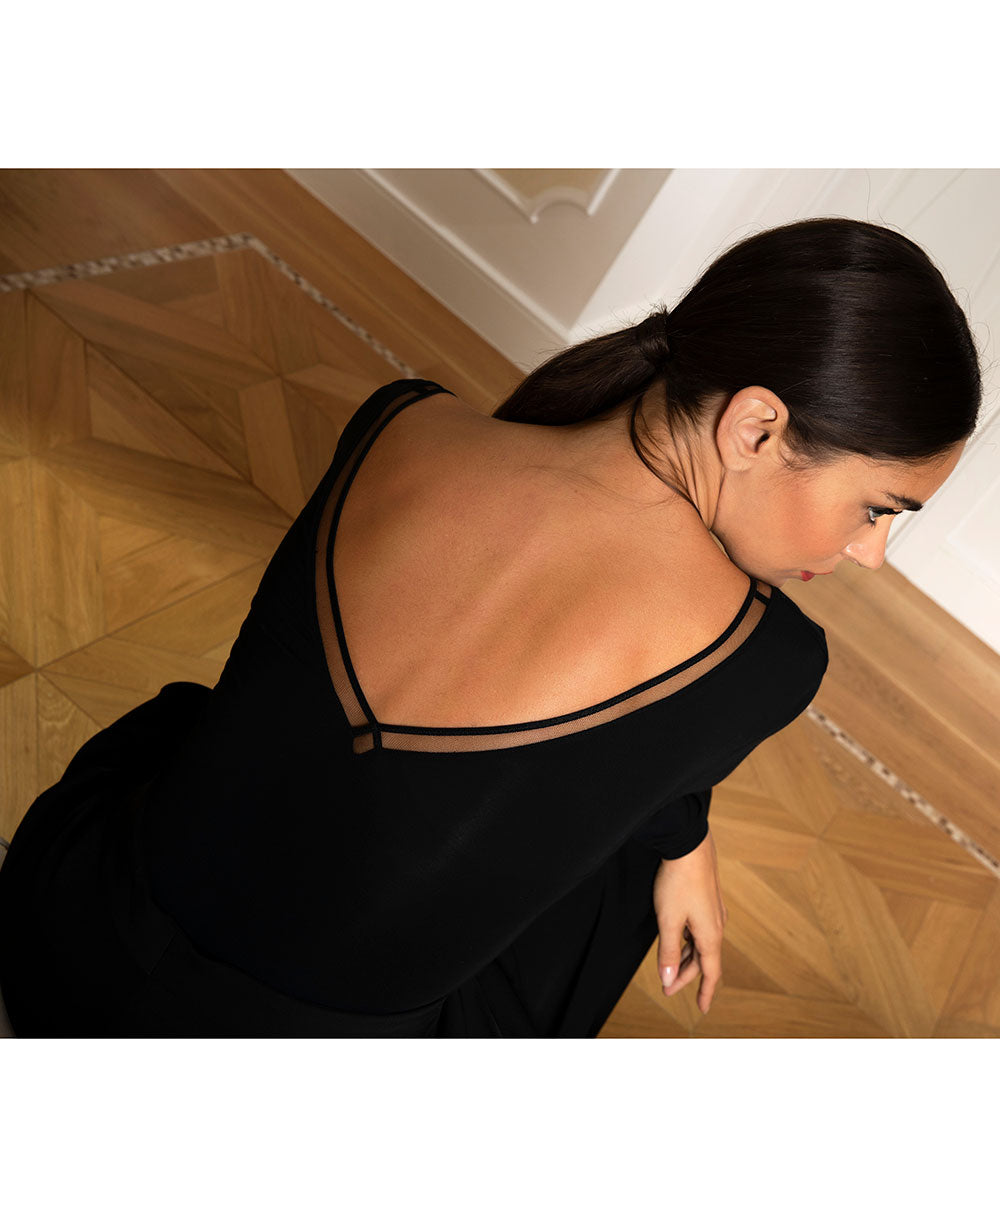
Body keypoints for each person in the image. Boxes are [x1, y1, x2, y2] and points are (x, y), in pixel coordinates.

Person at [0, 217, 981, 1037]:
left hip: (71, 921)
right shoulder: (769, 659)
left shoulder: (401, 417)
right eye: (877, 509)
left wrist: (686, 839)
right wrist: (676, 846)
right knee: (620, 864)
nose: (870, 554)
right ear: (754, 428)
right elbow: (637, 765)